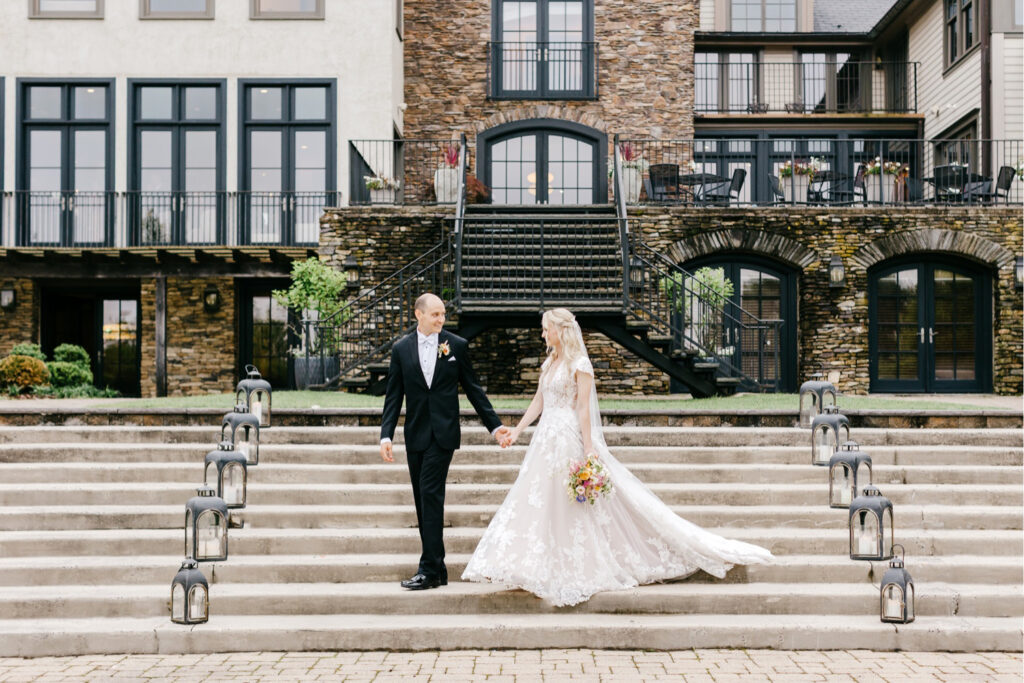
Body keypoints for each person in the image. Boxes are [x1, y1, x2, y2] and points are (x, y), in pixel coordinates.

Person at [462, 308, 773, 606]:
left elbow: (583, 409)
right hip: (545, 440)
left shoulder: (580, 364)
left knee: (571, 504)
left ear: (559, 330)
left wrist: (588, 449)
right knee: (540, 500)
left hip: (568, 438)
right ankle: (539, 564)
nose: (543, 334)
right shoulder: (550, 363)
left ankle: (580, 563)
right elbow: (539, 401)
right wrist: (517, 430)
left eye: (546, 328)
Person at [380, 293, 510, 591]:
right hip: (415, 435)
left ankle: (428, 569)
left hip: (443, 434)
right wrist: (386, 435)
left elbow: (474, 390)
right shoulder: (401, 350)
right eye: (435, 315)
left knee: (430, 493)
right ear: (418, 315)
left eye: (443, 315)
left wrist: (495, 427)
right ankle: (437, 570)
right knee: (422, 500)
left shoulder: (456, 346)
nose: (441, 319)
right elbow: (393, 395)